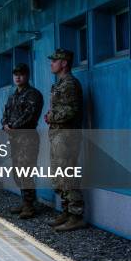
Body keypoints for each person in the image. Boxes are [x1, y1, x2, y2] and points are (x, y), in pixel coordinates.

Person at [45, 48, 86, 232]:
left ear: (64, 63)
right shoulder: (61, 83)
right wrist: (52, 116)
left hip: (67, 136)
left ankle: (76, 216)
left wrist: (51, 117)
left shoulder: (69, 84)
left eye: (55, 61)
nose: (52, 63)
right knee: (60, 176)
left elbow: (72, 111)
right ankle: (66, 212)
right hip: (58, 135)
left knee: (68, 175)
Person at [1, 63, 43, 219]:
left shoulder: (33, 94)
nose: (18, 77)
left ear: (27, 76)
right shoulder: (13, 96)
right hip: (14, 139)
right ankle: (25, 201)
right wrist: (4, 125)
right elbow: (5, 113)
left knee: (26, 171)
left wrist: (12, 127)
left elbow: (29, 116)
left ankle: (29, 205)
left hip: (27, 138)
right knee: (17, 171)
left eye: (21, 74)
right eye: (15, 74)